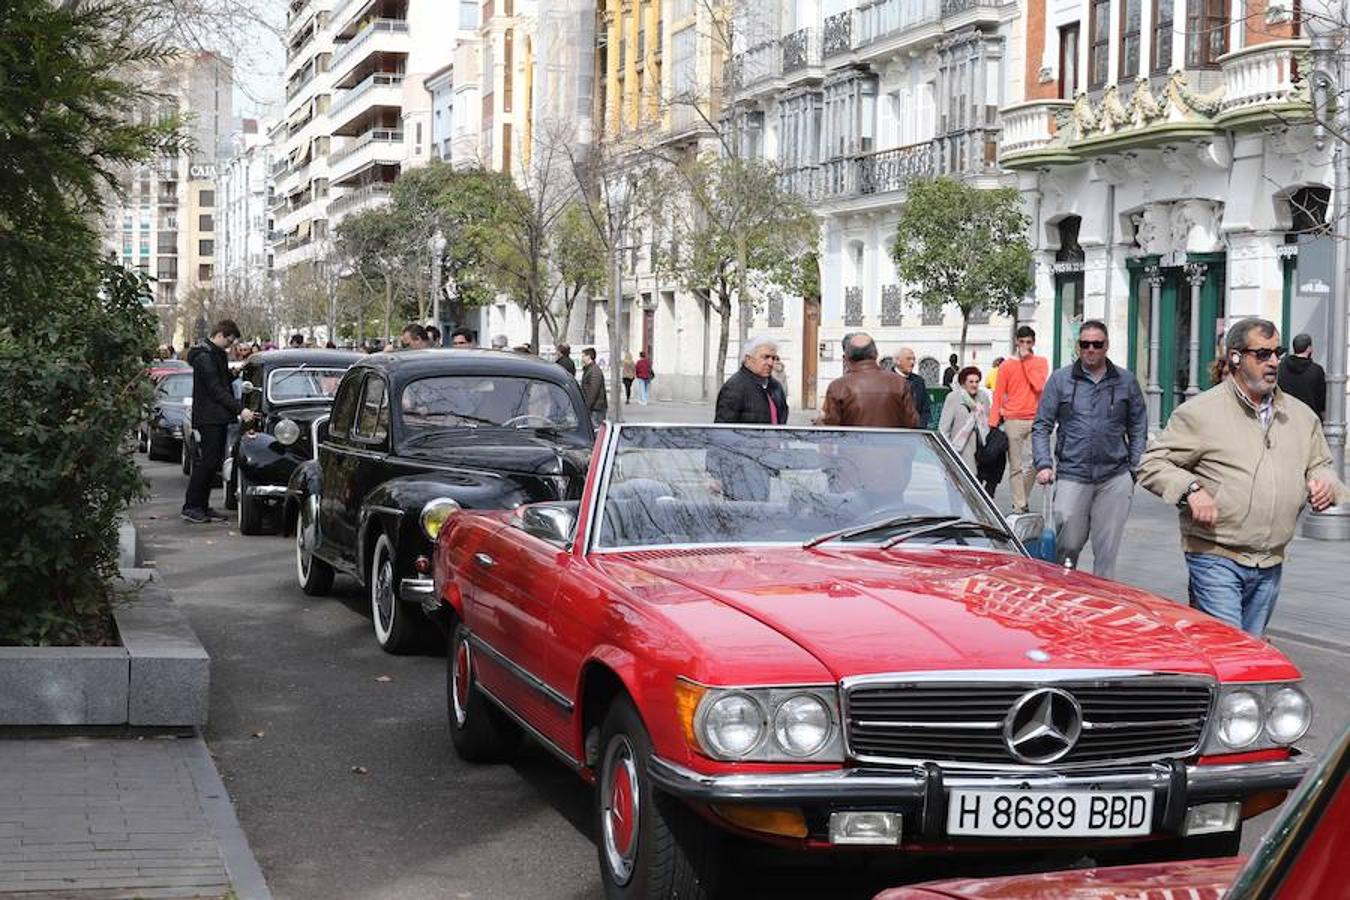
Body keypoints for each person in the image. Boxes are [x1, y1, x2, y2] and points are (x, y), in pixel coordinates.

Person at [1138, 318, 1349, 636]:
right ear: (1235, 357)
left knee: (1248, 657)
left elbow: (1321, 464)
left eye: (1276, 352)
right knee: (1230, 648)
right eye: (1262, 354)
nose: (1274, 361)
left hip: (1270, 559)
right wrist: (1191, 488)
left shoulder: (1300, 415)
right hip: (1216, 555)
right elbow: (1152, 464)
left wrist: (1326, 486)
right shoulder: (1200, 412)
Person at [1031, 321, 1147, 579]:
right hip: (1073, 474)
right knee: (1067, 546)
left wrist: (1134, 468)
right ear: (1078, 347)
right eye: (1085, 344)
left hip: (1114, 477)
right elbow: (1041, 425)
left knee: (1106, 552)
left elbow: (1138, 425)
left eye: (1097, 344)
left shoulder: (1126, 381)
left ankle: (1100, 609)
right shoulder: (1061, 380)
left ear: (1106, 346)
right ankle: (1061, 596)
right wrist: (1044, 463)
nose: (1091, 349)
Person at [182, 321, 256, 524]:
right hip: (209, 417)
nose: (229, 346)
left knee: (212, 462)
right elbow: (215, 389)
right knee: (207, 462)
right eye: (229, 341)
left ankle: (202, 506)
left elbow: (220, 382)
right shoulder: (205, 357)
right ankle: (192, 506)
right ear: (221, 335)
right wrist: (240, 409)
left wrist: (235, 373)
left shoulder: (214, 355)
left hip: (216, 416)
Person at [988, 327, 1049, 514]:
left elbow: (1039, 386)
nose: (1024, 345)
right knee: (1015, 465)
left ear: (1034, 343)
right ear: (1016, 341)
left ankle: (1021, 497)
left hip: (1035, 418)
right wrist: (993, 422)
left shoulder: (1040, 362)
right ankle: (1020, 504)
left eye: (1028, 342)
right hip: (1012, 418)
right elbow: (998, 394)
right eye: (1022, 342)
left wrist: (1025, 362)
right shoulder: (1006, 366)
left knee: (1038, 461)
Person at [818, 333, 918, 427]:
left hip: (852, 445)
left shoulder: (838, 386)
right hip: (892, 444)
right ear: (876, 354)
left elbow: (830, 427)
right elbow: (913, 422)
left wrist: (819, 422)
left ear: (847, 358)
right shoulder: (899, 383)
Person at [714, 336, 789, 424]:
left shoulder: (776, 386)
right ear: (748, 359)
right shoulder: (734, 387)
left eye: (774, 358)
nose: (770, 363)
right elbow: (723, 430)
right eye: (765, 357)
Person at [939, 366, 989, 475]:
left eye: (977, 382)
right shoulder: (953, 397)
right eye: (971, 382)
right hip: (960, 448)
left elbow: (987, 422)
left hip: (980, 448)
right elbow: (944, 428)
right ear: (963, 383)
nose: (974, 385)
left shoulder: (983, 397)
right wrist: (948, 451)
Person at [1277, 333, 1326, 421]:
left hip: (1285, 418)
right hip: (1310, 419)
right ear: (1309, 348)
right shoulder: (1317, 370)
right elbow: (1321, 401)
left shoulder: (1280, 367)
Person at [894, 346, 931, 428]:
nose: (912, 362)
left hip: (915, 432)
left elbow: (925, 408)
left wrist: (921, 425)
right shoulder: (888, 380)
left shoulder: (919, 381)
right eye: (908, 359)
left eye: (914, 359)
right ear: (898, 361)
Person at [580, 347, 607, 427]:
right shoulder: (589, 369)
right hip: (594, 407)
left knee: (596, 430)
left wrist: (587, 406)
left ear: (589, 356)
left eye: (583, 356)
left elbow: (593, 391)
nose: (582, 358)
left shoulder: (594, 371)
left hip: (596, 408)